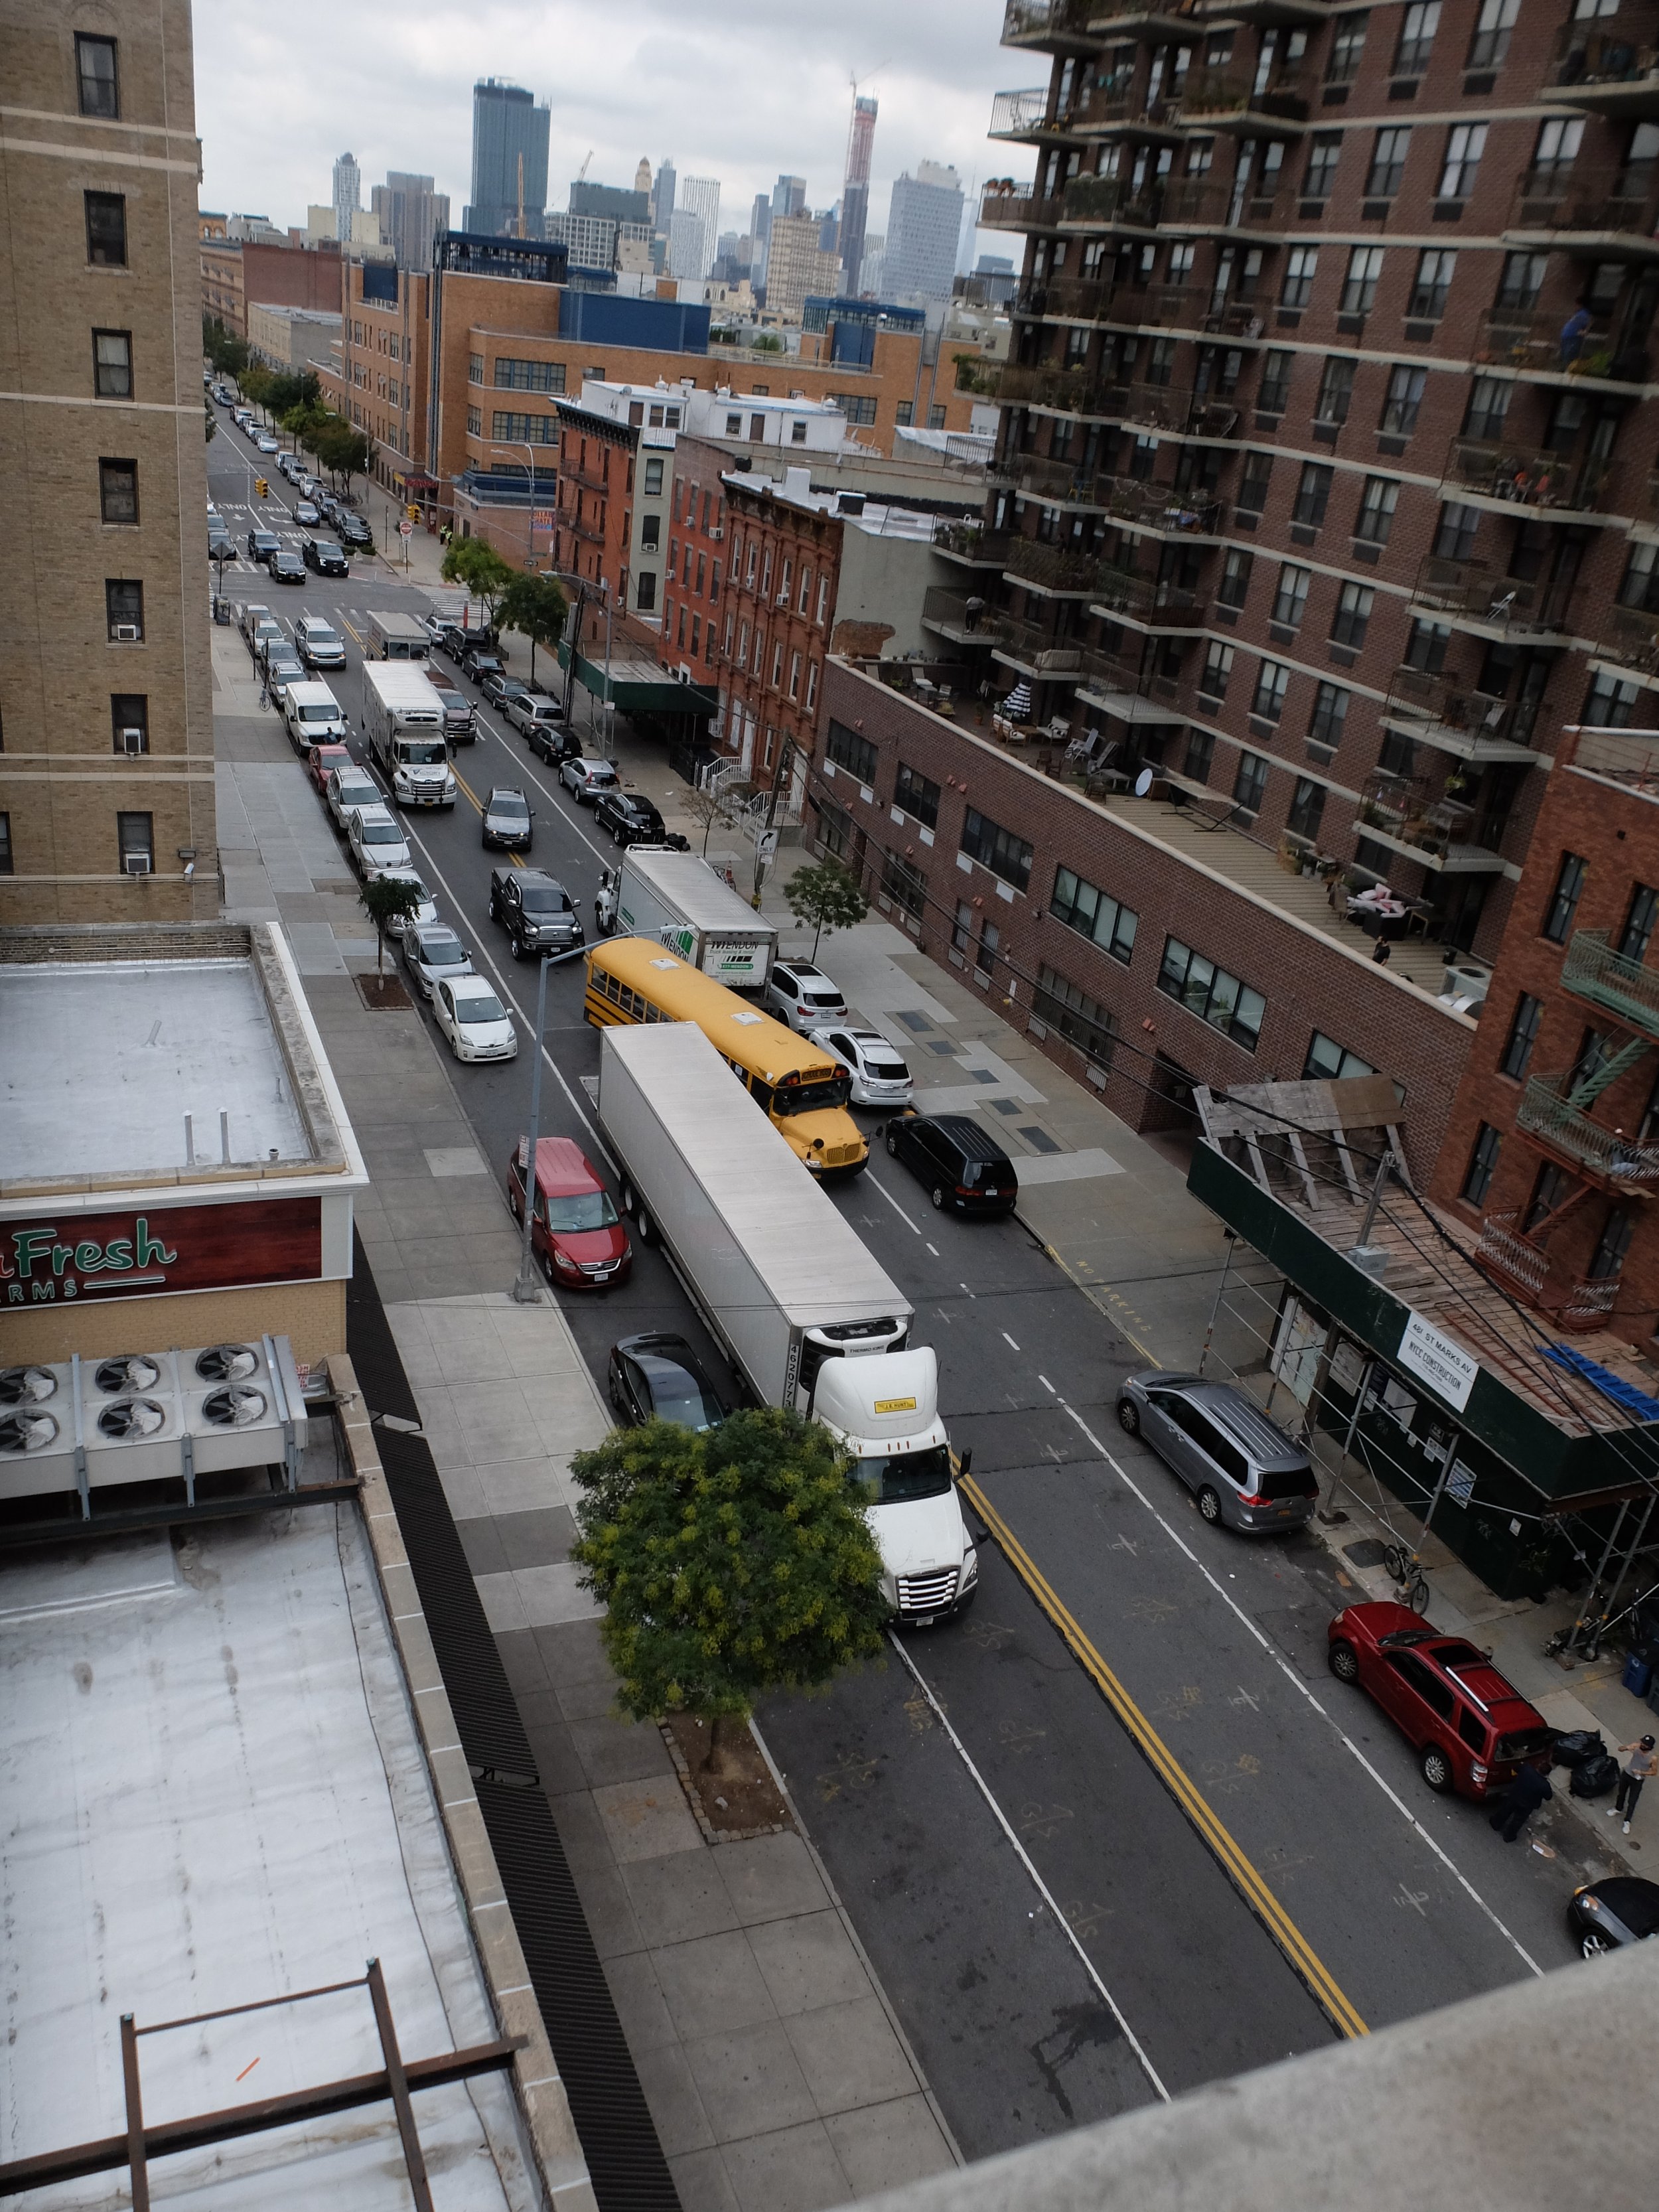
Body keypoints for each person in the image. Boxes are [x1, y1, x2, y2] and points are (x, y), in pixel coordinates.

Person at [1488, 1760, 1553, 1842]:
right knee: (1518, 1821)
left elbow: (1516, 1768)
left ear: (1539, 1766)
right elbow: (1549, 1797)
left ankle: (1496, 1823)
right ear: (1547, 1774)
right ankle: (1509, 1836)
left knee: (1505, 1810)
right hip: (1527, 1805)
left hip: (1515, 1795)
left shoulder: (1527, 1768)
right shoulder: (1545, 1785)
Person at [1609, 1735, 1658, 1836]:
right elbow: (1620, 1749)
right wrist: (1625, 1748)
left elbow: (1654, 1772)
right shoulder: (1636, 1747)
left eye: (1644, 1744)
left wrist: (1641, 1772)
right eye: (1642, 1742)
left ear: (1649, 1747)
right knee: (1621, 1793)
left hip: (1638, 1780)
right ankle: (1618, 1808)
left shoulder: (1653, 1758)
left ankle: (1627, 1821)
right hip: (1627, 1774)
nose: (1642, 1745)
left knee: (1632, 1800)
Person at [1560, 302, 1591, 368]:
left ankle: (1568, 368)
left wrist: (1584, 331)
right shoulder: (1580, 314)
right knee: (1567, 354)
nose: (1574, 307)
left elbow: (1585, 325)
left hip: (1572, 337)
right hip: (1569, 337)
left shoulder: (1583, 315)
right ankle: (1567, 368)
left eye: (1576, 305)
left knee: (1569, 355)